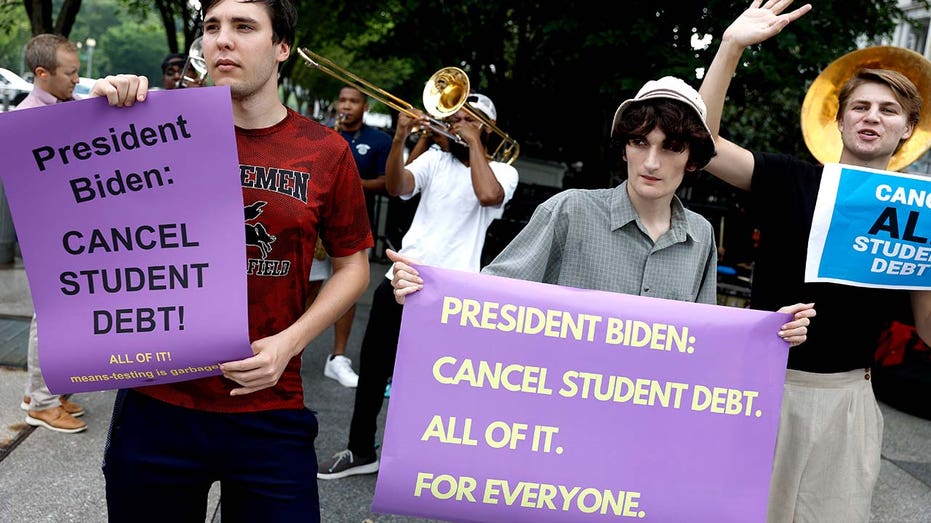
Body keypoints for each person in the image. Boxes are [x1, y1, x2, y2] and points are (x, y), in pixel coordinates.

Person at [96, 0, 372, 520]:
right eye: (212, 27)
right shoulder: (154, 129)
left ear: (282, 48)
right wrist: (96, 114)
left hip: (270, 405)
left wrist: (290, 343)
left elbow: (353, 265)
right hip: (158, 401)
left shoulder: (326, 151)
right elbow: (84, 204)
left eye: (244, 27)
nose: (222, 39)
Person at [698, 1, 931, 521]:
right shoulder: (790, 179)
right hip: (762, 385)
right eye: (862, 106)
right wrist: (731, 46)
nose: (873, 117)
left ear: (908, 129)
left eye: (889, 110)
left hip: (848, 400)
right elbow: (704, 143)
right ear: (840, 117)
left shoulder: (919, 215)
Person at [317, 92, 520, 479]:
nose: (457, 124)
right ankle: (360, 450)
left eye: (469, 119)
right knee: (374, 372)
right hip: (401, 277)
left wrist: (475, 141)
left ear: (487, 129)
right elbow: (397, 186)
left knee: (438, 381)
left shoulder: (503, 172)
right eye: (456, 118)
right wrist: (400, 139)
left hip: (455, 291)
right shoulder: (436, 159)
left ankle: (428, 461)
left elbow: (488, 195)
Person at [15, 33, 86, 434]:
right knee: (52, 319)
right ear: (43, 74)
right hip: (52, 235)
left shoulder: (65, 108)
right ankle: (41, 403)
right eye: (71, 73)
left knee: (62, 317)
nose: (77, 80)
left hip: (69, 232)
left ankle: (42, 393)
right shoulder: (27, 120)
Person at [312, 85, 393, 388]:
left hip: (352, 225)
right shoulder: (322, 133)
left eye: (353, 102)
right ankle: (289, 351)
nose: (346, 106)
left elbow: (386, 183)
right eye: (343, 100)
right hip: (315, 225)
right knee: (304, 288)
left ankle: (338, 358)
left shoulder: (378, 140)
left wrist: (350, 182)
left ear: (365, 106)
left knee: (345, 290)